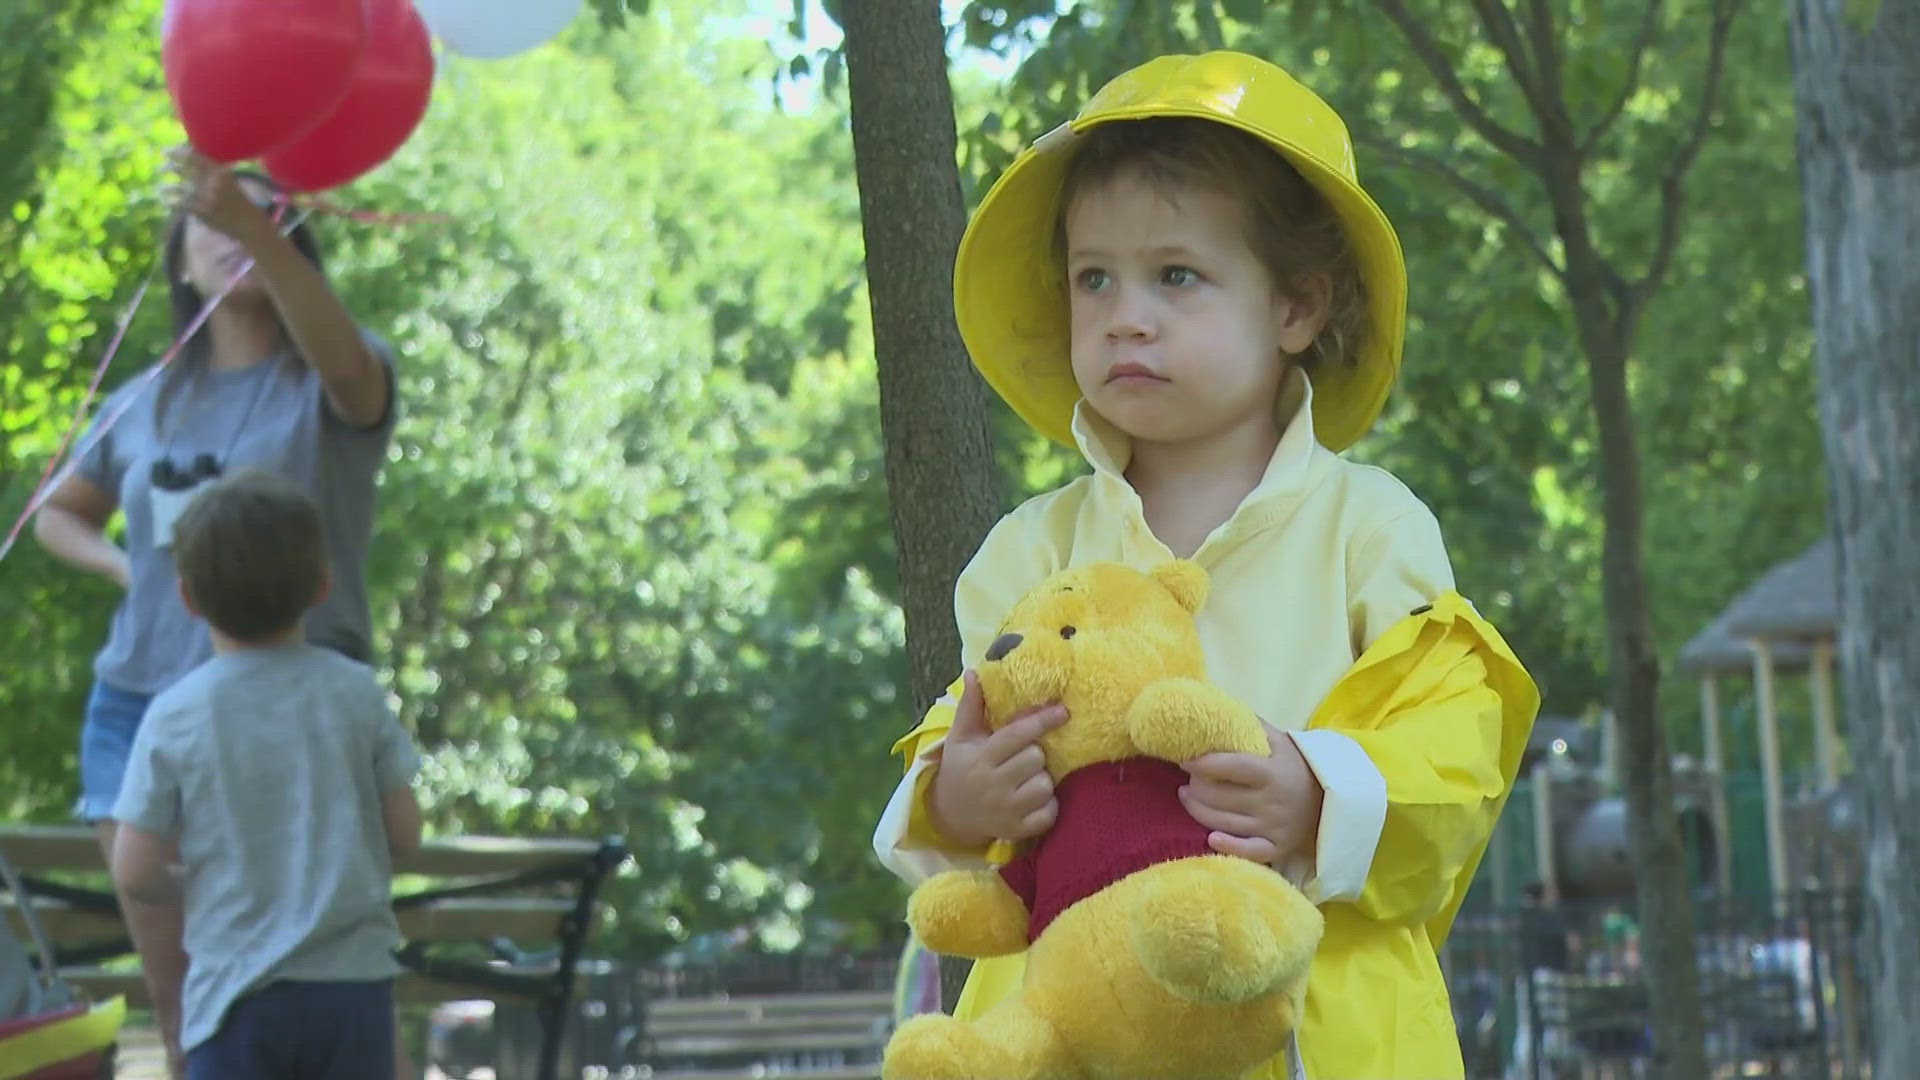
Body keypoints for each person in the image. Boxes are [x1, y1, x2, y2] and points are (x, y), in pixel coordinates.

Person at [872, 51, 1540, 1079]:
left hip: (1324, 1032)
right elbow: (961, 734)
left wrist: (1319, 794)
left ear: (1298, 307)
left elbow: (1460, 749)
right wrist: (958, 799)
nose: (1124, 314)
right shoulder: (1031, 549)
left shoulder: (1370, 529)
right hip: (1069, 1033)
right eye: (1094, 277)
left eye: (1175, 275)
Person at [32, 148, 400, 1074]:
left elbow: (356, 379)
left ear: (292, 245)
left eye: (266, 217)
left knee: (308, 978)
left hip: (295, 720)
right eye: (216, 222)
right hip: (140, 708)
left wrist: (249, 227)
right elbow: (55, 518)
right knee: (186, 996)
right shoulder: (142, 401)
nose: (238, 231)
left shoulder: (329, 382)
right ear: (181, 260)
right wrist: (134, 573)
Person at [108, 470, 423, 1080]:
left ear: (189, 599)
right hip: (351, 992)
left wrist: (210, 879)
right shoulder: (354, 694)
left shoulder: (176, 713)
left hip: (234, 996)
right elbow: (405, 836)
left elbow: (136, 870)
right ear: (323, 586)